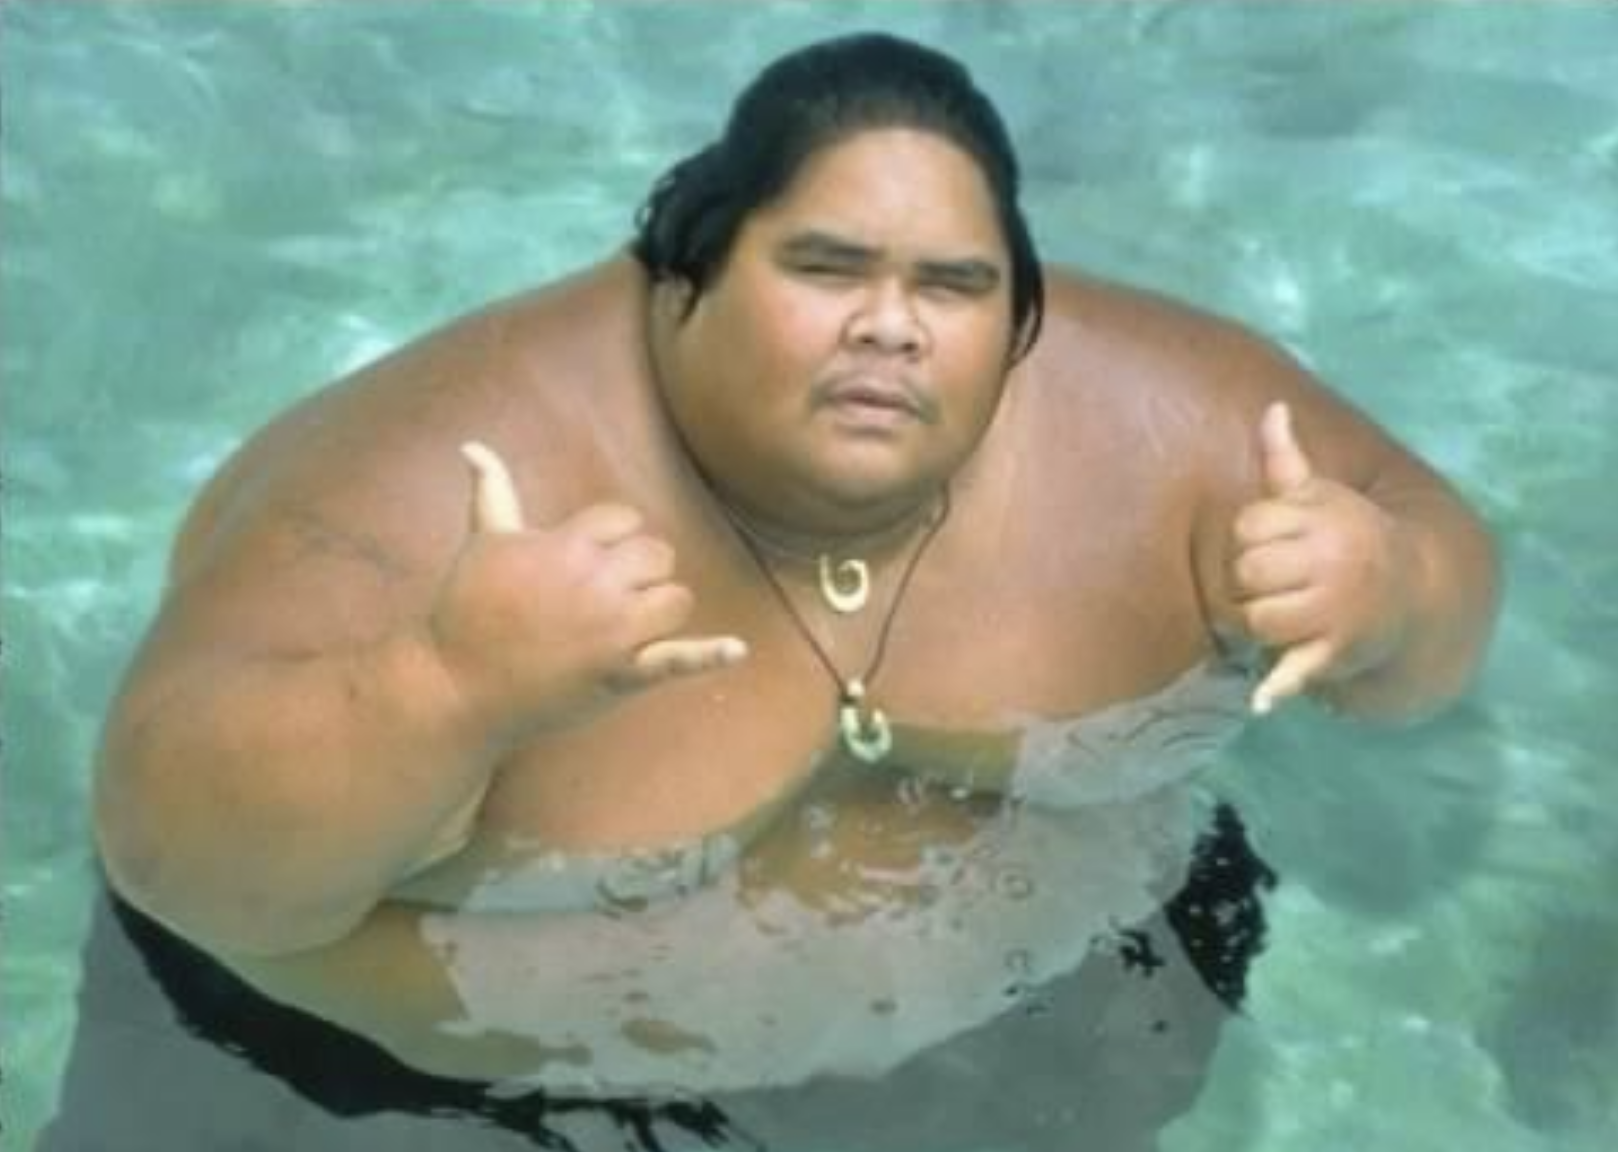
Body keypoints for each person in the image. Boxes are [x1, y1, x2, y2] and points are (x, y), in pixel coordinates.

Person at [43, 31, 1498, 1152]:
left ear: (1018, 311)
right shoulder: (436, 482)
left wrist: (1386, 589)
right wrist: (440, 688)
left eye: (951, 286)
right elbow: (176, 846)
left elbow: (1428, 629)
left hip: (1017, 1047)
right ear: (686, 269)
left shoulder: (1177, 428)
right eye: (823, 266)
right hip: (390, 1098)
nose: (889, 327)